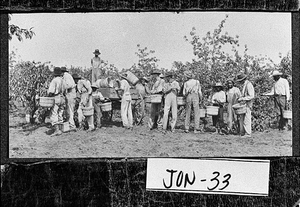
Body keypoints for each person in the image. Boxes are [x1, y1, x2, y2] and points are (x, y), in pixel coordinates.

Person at [47, 67, 66, 136]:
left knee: (54, 113)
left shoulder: (54, 80)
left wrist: (49, 96)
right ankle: (61, 129)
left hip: (56, 97)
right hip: (62, 97)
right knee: (60, 113)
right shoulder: (63, 80)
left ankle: (57, 130)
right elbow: (65, 90)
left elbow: (51, 91)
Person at [236, 73, 255, 138]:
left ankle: (248, 133)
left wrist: (243, 98)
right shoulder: (244, 85)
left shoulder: (249, 85)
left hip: (248, 104)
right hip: (244, 104)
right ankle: (242, 132)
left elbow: (251, 96)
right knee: (242, 119)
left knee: (247, 119)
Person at [61, 67, 76, 131]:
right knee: (69, 109)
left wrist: (63, 88)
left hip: (70, 93)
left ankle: (72, 125)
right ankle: (70, 124)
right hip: (70, 93)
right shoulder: (66, 76)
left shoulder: (66, 76)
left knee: (70, 109)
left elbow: (69, 85)